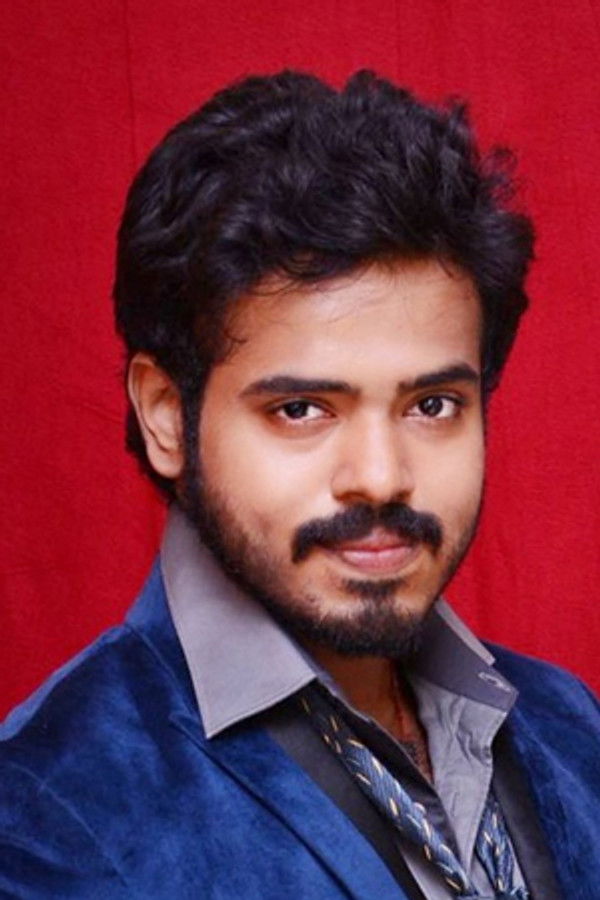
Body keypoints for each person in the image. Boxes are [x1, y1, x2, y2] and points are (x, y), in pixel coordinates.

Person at [0, 70, 598, 900]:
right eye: (302, 410)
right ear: (166, 416)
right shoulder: (47, 814)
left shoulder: (571, 725)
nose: (381, 477)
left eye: (432, 405)